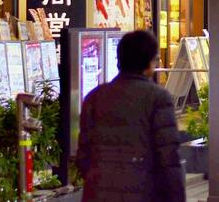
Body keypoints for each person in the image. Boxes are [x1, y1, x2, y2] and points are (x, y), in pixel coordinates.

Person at [76, 30, 185, 202]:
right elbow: (169, 159)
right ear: (149, 62)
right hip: (143, 193)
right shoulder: (158, 98)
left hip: (98, 193)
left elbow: (84, 156)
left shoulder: (94, 97)